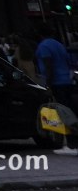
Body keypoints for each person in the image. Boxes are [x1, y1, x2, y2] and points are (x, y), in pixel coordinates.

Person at [36, 24, 78, 156]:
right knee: (69, 112)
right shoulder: (59, 45)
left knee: (61, 113)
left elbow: (48, 66)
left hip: (56, 82)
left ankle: (70, 144)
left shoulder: (44, 46)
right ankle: (73, 142)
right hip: (66, 80)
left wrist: (47, 85)